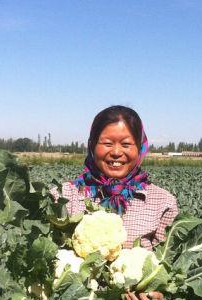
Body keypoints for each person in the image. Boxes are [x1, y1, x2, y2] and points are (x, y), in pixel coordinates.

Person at [51, 105, 178, 300]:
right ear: (92, 144)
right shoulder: (62, 197)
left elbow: (170, 270)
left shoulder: (162, 203)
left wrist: (158, 293)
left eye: (126, 144)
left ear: (140, 148)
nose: (116, 152)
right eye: (107, 143)